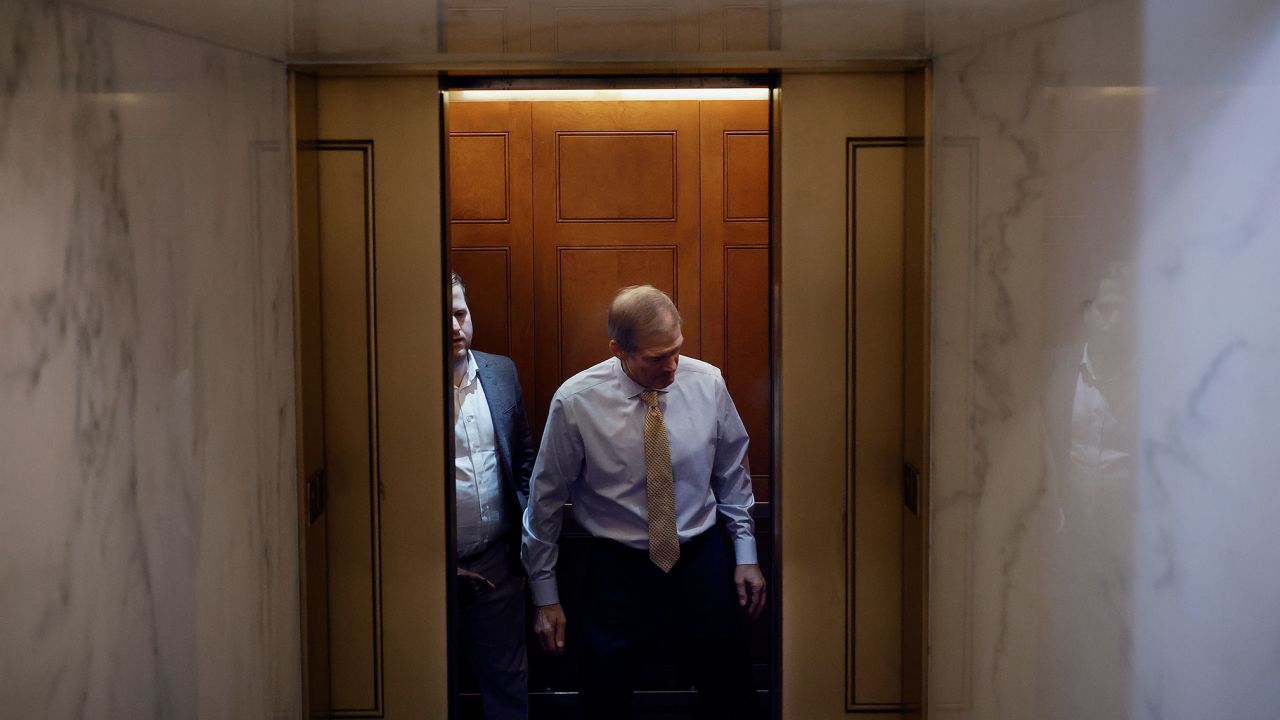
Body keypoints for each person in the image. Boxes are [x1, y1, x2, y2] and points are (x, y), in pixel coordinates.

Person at [522, 284, 766, 719]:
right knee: (604, 694)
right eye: (656, 358)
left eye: (677, 351)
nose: (672, 367)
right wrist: (545, 597)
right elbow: (544, 502)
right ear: (618, 350)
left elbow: (732, 474)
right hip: (616, 568)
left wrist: (746, 554)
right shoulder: (576, 402)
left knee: (730, 688)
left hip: (699, 557)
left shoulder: (707, 382)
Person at [451, 272, 535, 720]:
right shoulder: (399, 383)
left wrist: (520, 546)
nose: (453, 325)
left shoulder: (500, 372)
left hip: (497, 566)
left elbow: (524, 460)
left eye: (460, 313)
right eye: (441, 315)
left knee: (507, 690)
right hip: (425, 572)